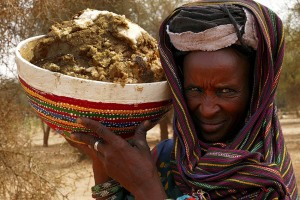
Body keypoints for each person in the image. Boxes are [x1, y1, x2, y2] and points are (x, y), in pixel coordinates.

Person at [67, 0, 299, 199]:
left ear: (256, 94)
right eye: (194, 90)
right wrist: (101, 157)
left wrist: (146, 187)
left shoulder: (268, 181)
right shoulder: (167, 157)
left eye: (226, 91)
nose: (207, 110)